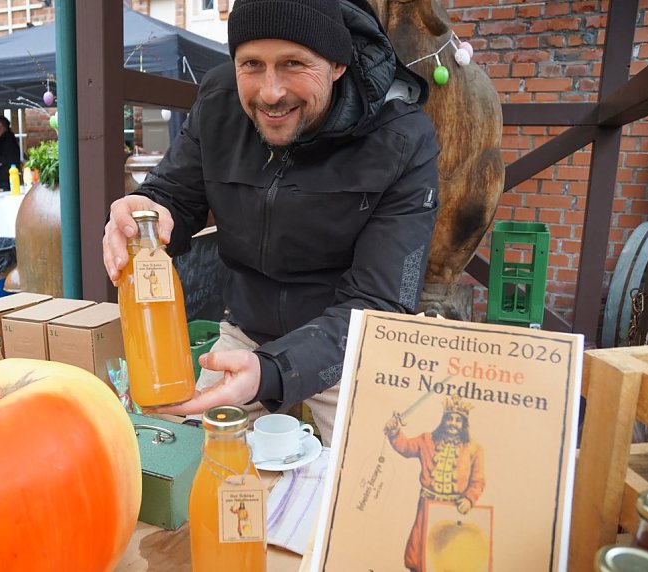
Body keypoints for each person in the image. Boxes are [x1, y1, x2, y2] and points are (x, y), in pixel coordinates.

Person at [103, 0, 439, 445]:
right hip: (247, 334)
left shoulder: (403, 138)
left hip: (349, 346)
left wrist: (273, 371)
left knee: (374, 476)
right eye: (252, 64)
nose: (270, 93)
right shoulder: (219, 101)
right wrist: (147, 210)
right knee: (186, 457)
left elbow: (381, 302)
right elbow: (174, 194)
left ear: (337, 64)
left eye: (293, 63)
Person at [384, 397, 486, 572]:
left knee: (449, 554)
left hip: (455, 509)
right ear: (443, 420)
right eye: (449, 418)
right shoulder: (426, 440)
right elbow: (406, 447)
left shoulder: (474, 448)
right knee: (421, 552)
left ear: (464, 424)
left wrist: (469, 499)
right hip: (426, 506)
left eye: (458, 420)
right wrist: (395, 432)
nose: (453, 423)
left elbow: (478, 481)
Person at [0, 115, 20, 190]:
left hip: (4, 181)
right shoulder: (2, 141)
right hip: (1, 179)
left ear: (0, 125)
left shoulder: (8, 142)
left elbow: (10, 160)